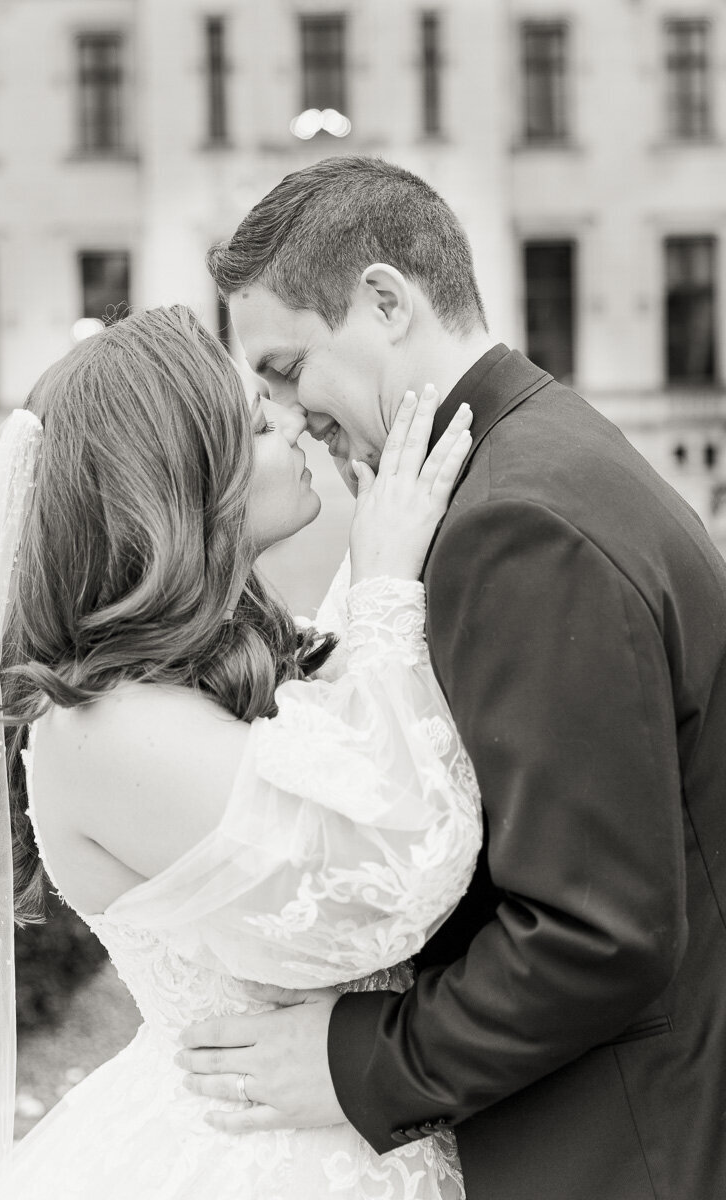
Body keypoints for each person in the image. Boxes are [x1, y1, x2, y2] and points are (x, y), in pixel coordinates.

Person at [183, 155, 726, 1200]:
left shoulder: (515, 524)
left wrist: (354, 1059)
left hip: (619, 1148)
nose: (292, 422)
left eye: (289, 371)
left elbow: (596, 934)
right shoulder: (532, 457)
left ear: (385, 300)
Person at [0, 304, 482, 1200]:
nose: (295, 419)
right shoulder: (105, 726)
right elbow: (391, 875)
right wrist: (385, 593)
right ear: (182, 487)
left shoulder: (212, 660)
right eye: (262, 424)